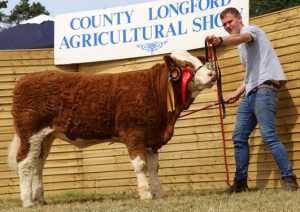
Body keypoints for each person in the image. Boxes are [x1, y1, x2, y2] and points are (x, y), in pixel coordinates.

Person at [206, 7, 299, 193]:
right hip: (251, 92)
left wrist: (220, 40)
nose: (227, 26)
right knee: (239, 137)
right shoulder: (241, 47)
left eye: (230, 22)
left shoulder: (252, 30)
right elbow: (249, 76)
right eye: (224, 25)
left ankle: (290, 180)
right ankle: (240, 184)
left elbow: (241, 37)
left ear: (240, 19)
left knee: (268, 135)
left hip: (265, 89)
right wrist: (236, 93)